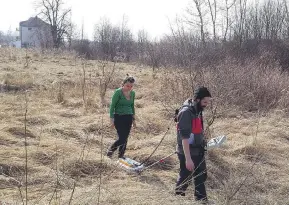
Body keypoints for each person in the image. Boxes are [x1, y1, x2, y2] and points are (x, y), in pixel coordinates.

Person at [175, 86, 212, 203]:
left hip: (198, 150)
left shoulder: (198, 110)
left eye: (208, 102)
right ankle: (177, 199)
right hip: (187, 151)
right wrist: (188, 159)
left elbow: (197, 130)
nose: (206, 104)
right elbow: (184, 138)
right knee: (185, 176)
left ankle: (202, 201)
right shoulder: (186, 113)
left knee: (201, 175)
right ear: (197, 99)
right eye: (205, 102)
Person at [107, 75, 136, 159]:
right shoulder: (118, 92)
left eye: (131, 86)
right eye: (127, 86)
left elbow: (132, 106)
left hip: (128, 118)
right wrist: (111, 120)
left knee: (125, 138)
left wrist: (134, 120)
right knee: (122, 138)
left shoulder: (133, 93)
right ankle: (110, 152)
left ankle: (121, 155)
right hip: (119, 117)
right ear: (123, 84)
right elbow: (112, 106)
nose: (129, 88)